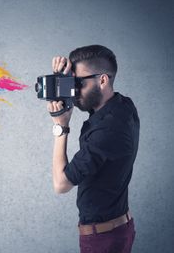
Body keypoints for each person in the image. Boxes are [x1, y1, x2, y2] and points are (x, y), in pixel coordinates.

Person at [47, 45, 139, 253]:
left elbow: (60, 184)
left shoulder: (107, 130)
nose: (74, 90)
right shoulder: (123, 106)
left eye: (78, 83)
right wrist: (60, 81)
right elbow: (89, 101)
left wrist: (61, 127)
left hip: (102, 239)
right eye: (72, 82)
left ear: (103, 80)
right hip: (119, 228)